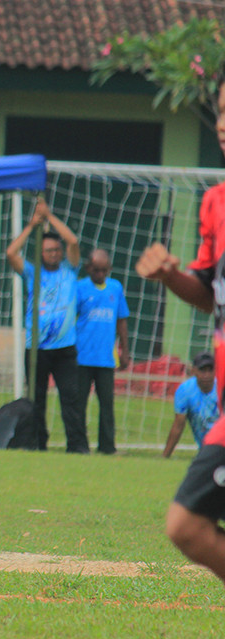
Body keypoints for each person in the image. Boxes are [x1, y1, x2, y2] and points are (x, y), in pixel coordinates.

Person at [136, 78, 225, 586]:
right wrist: (171, 276)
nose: (222, 123)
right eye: (220, 110)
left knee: (187, 524)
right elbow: (211, 294)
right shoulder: (215, 203)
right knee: (186, 525)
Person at [5, 199, 89, 453]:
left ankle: (77, 446)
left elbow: (72, 241)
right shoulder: (33, 272)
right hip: (37, 348)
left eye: (56, 250)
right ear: (40, 254)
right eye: (48, 250)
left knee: (71, 399)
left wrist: (49, 216)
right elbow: (11, 253)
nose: (54, 254)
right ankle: (37, 444)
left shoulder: (70, 270)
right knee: (37, 399)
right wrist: (32, 225)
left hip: (65, 348)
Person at [75, 249, 130, 454]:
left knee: (107, 405)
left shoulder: (115, 288)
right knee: (79, 404)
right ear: (88, 267)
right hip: (81, 357)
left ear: (109, 269)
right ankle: (79, 445)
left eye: (104, 270)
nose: (99, 274)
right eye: (96, 270)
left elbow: (121, 320)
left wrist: (125, 350)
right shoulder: (79, 288)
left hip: (106, 358)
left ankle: (107, 447)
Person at [164, 353, 219, 459]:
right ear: (193, 371)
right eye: (202, 370)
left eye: (210, 370)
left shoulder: (221, 388)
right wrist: (165, 456)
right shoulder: (185, 391)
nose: (207, 375)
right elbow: (178, 425)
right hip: (206, 449)